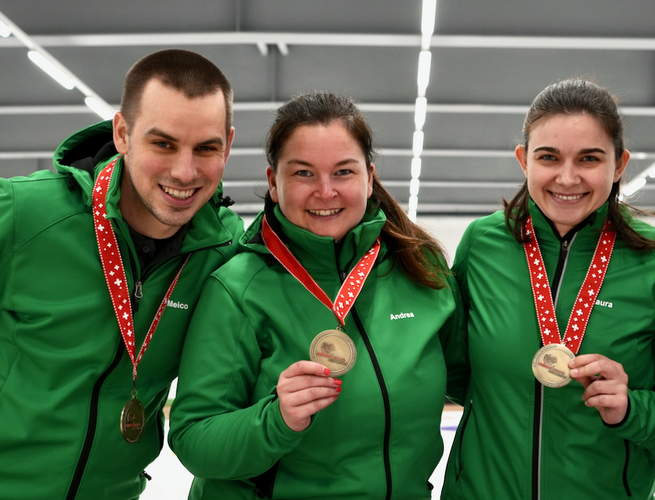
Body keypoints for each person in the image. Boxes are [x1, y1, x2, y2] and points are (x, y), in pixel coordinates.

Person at [0, 49, 241, 499]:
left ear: (228, 144)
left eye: (206, 148)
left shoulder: (222, 250)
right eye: (162, 143)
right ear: (123, 134)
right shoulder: (22, 215)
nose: (185, 172)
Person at [168, 91, 459, 499]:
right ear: (273, 182)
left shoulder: (419, 268)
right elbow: (194, 439)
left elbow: (476, 379)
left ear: (370, 177)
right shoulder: (237, 287)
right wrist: (276, 420)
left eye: (343, 172)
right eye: (303, 173)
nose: (325, 191)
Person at [441, 79, 655, 499]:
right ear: (523, 160)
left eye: (589, 158)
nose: (567, 178)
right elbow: (453, 370)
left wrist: (629, 408)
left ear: (619, 165)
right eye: (548, 157)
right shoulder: (481, 244)